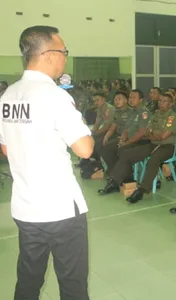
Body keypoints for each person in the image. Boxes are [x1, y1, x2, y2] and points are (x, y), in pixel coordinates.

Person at [0, 26, 93, 300]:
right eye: (63, 52)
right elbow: (85, 149)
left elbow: (6, 147)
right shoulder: (55, 96)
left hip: (26, 207)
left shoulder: (8, 96)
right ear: (49, 54)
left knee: (28, 279)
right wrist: (81, 121)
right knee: (73, 284)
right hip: (60, 209)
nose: (65, 58)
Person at [97, 94, 176, 199]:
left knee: (153, 160)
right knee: (127, 154)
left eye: (164, 101)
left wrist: (152, 134)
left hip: (167, 147)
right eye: (160, 101)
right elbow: (146, 131)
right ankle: (114, 182)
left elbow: (163, 136)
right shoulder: (156, 114)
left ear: (171, 104)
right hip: (153, 144)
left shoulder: (172, 117)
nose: (161, 103)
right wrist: (154, 135)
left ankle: (142, 190)